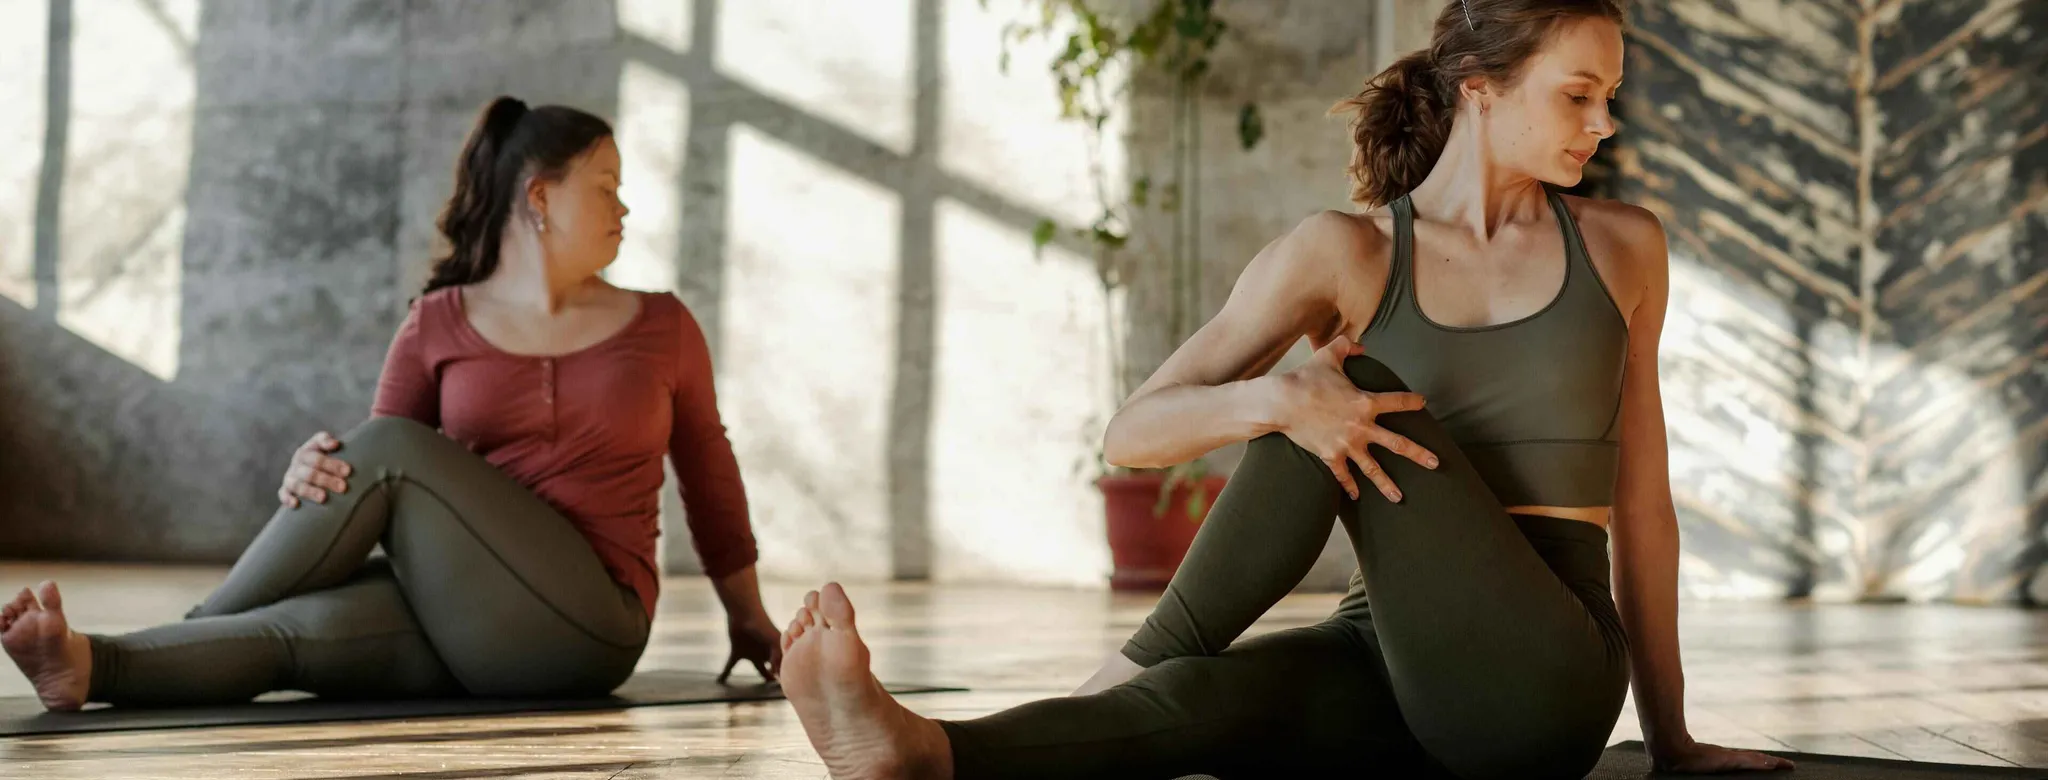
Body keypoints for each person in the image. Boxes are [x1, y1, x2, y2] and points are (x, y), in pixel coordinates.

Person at [768, 1, 1801, 778]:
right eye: (1577, 94)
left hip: (1545, 684)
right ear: (1479, 90)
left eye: (1607, 97)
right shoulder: (1341, 253)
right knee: (1201, 698)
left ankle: (1115, 668)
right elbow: (1133, 433)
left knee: (1347, 380)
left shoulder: (1622, 249)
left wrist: (1669, 740)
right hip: (1387, 656)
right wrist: (1275, 402)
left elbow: (1642, 502)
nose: (1602, 122)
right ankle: (920, 755)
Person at [0, 96, 781, 711]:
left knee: (385, 450)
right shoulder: (436, 321)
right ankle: (86, 665)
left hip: (589, 628)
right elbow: (367, 487)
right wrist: (308, 475)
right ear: (540, 198)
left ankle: (187, 628)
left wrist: (748, 617)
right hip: (467, 618)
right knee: (289, 634)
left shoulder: (662, 327)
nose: (624, 208)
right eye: (607, 187)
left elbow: (709, 477)